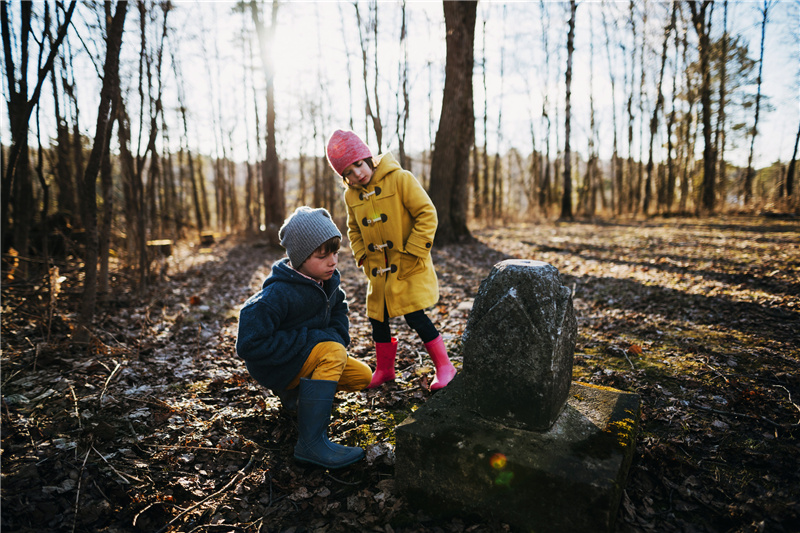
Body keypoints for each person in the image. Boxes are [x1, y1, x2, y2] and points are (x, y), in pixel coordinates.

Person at [235, 206, 372, 469]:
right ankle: (310, 443)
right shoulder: (277, 294)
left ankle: (297, 396)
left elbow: (339, 315)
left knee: (362, 375)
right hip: (276, 365)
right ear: (300, 258)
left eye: (335, 253)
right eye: (323, 256)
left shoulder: (328, 282)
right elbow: (249, 344)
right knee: (332, 352)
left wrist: (330, 339)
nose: (332, 261)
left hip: (306, 356)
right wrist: (314, 341)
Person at [325, 129, 457, 391]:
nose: (357, 174)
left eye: (359, 165)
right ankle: (385, 369)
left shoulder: (400, 179)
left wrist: (414, 250)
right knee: (378, 318)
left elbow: (426, 213)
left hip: (408, 264)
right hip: (378, 271)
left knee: (414, 315)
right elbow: (353, 229)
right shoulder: (351, 195)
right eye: (348, 172)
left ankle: (445, 366)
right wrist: (362, 254)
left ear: (368, 158)